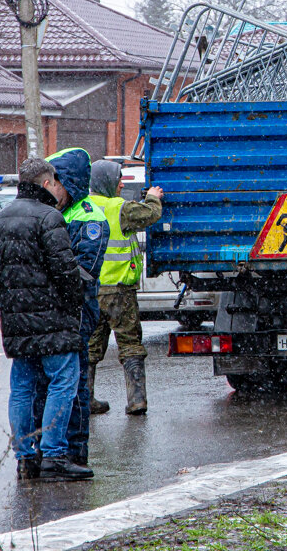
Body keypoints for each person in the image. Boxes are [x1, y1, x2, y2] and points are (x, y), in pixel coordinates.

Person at [0, 157, 93, 481]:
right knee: (63, 381)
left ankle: (25, 458)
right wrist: (75, 301)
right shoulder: (50, 218)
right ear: (46, 183)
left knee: (22, 388)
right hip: (52, 319)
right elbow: (65, 272)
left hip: (16, 320)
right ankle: (54, 454)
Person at [40, 148, 109, 466]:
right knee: (53, 381)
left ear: (68, 181)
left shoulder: (90, 218)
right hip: (55, 309)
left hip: (78, 310)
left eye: (54, 181)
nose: (49, 187)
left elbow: (84, 272)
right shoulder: (59, 212)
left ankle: (75, 450)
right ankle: (54, 446)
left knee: (75, 382)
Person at [86, 160, 164, 416]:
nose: (121, 183)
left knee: (89, 347)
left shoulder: (81, 208)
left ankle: (85, 398)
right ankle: (137, 399)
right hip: (118, 292)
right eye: (118, 179)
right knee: (130, 345)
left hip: (90, 292)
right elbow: (151, 215)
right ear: (106, 181)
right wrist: (153, 197)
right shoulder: (118, 208)